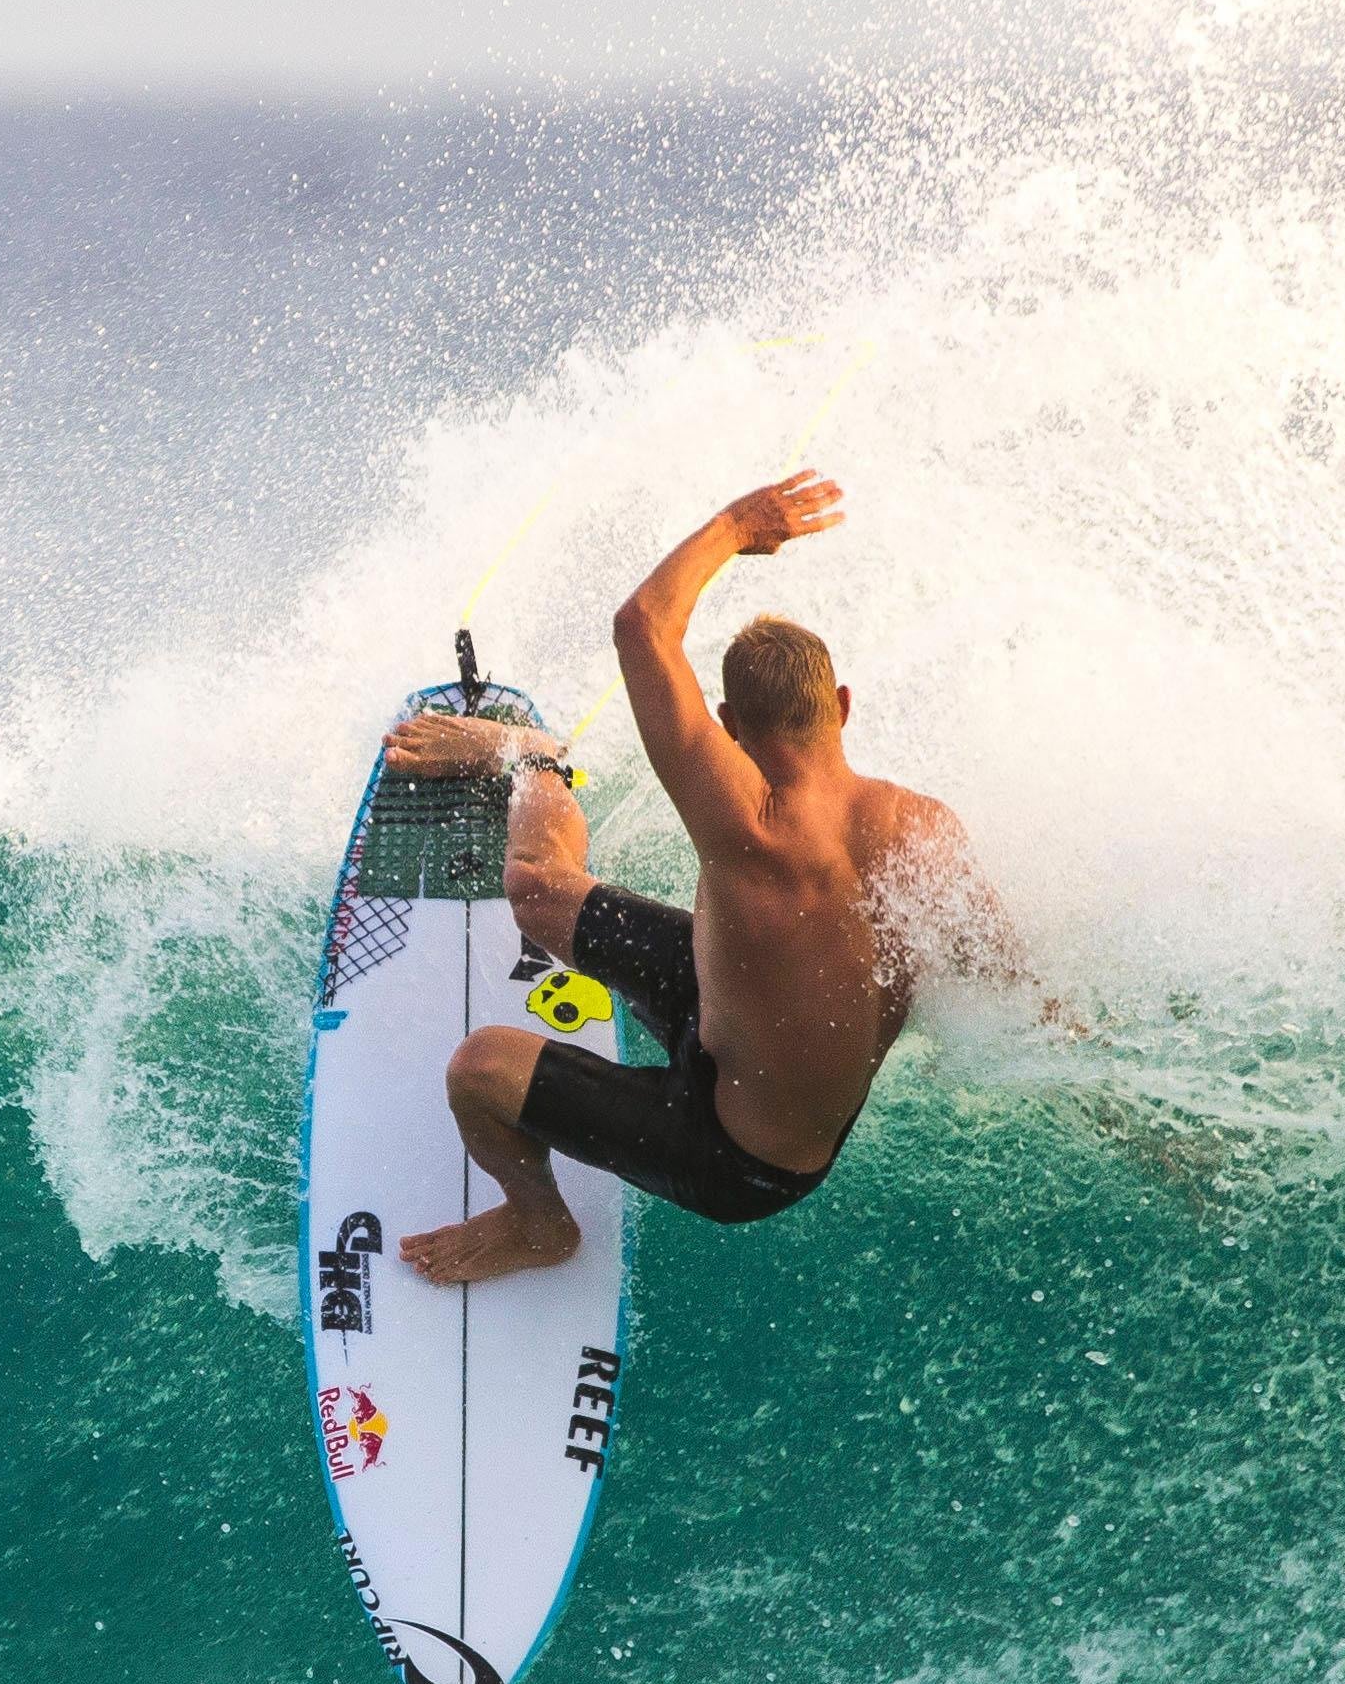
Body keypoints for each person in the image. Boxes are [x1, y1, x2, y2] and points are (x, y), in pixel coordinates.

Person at [385, 472, 1018, 1284]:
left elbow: (642, 624)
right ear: (844, 706)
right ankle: (531, 757)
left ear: (727, 727)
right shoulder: (928, 831)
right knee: (537, 893)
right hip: (733, 1017)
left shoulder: (747, 823)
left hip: (739, 1156)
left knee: (478, 1070)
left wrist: (738, 524)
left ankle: (540, 1224)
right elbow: (1009, 982)